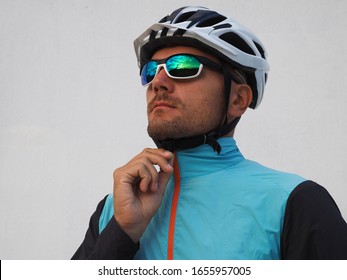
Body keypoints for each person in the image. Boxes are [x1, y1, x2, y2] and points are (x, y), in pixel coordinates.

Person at [72, 6, 347, 260]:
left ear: (238, 100)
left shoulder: (294, 203)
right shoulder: (113, 210)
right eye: (151, 70)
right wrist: (122, 232)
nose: (158, 82)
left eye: (183, 66)